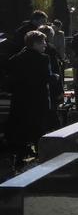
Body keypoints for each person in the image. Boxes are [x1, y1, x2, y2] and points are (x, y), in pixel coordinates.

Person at [5, 31, 56, 169]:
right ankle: (40, 156)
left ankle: (19, 157)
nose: (45, 45)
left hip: (20, 99)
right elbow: (45, 78)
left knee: (21, 127)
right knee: (39, 127)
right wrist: (54, 78)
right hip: (38, 98)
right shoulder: (43, 59)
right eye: (43, 42)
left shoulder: (16, 58)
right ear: (35, 44)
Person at [38, 24, 64, 130]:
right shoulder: (51, 49)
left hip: (40, 86)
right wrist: (60, 89)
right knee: (53, 112)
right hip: (51, 84)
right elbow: (56, 69)